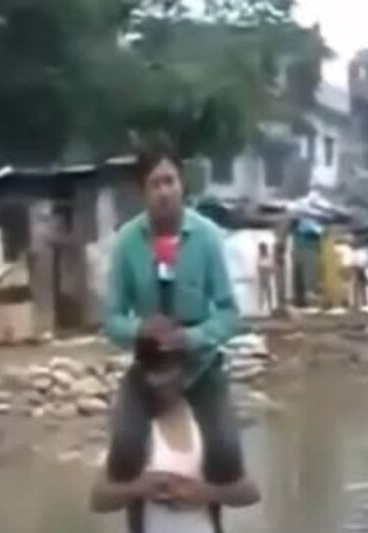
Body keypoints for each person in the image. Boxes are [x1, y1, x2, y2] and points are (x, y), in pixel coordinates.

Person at [102, 144, 247, 533]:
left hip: (200, 367)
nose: (164, 191)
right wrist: (139, 329)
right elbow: (111, 320)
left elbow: (230, 314)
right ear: (143, 193)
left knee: (225, 451)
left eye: (170, 181)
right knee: (126, 449)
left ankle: (210, 521)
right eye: (154, 184)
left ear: (182, 184)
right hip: (149, 368)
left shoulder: (207, 237)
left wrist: (194, 336)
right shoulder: (126, 243)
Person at [91, 346, 260, 532]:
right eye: (155, 378)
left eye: (168, 378)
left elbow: (250, 493)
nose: (162, 387)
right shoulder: (133, 430)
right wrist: (141, 488)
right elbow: (98, 499)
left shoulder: (208, 424)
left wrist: (206, 493)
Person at [257, 242, 275, 315]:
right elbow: (258, 266)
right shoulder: (260, 256)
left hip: (266, 275)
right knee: (262, 292)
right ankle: (261, 307)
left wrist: (268, 270)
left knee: (268, 291)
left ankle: (269, 307)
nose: (261, 250)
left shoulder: (268, 256)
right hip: (262, 275)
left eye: (262, 248)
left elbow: (271, 266)